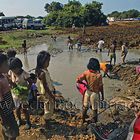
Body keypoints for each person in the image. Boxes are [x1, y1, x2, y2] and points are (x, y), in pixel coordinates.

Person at [76, 58, 104, 124]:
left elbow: (78, 80)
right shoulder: (98, 75)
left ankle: (83, 120)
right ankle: (94, 122)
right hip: (95, 93)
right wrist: (102, 95)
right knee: (94, 109)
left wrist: (85, 84)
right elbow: (101, 87)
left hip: (87, 92)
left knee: (85, 107)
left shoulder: (86, 73)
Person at [9, 57, 32, 130]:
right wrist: (10, 84)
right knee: (17, 108)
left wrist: (27, 90)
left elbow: (30, 82)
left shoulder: (24, 74)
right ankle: (19, 120)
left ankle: (28, 122)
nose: (14, 71)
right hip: (15, 94)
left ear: (20, 66)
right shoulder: (11, 72)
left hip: (23, 94)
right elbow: (10, 80)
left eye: (15, 69)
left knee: (25, 109)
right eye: (12, 70)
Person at [0, 54, 19, 140]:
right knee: (12, 131)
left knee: (6, 127)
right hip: (5, 111)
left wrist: (14, 85)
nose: (8, 65)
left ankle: (5, 138)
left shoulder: (3, 75)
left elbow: (10, 82)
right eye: (5, 64)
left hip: (8, 107)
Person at [35, 51, 55, 129]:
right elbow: (45, 86)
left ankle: (48, 119)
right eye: (48, 61)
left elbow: (48, 81)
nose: (49, 63)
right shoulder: (42, 73)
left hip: (47, 91)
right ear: (42, 61)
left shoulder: (43, 70)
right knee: (48, 107)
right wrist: (51, 95)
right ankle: (47, 123)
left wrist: (53, 88)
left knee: (47, 106)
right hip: (47, 93)